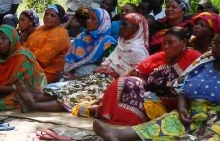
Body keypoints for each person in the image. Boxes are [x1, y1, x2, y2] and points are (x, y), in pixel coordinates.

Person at [93, 26, 220, 141]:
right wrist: (182, 108)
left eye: (219, 43)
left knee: (207, 135)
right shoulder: (205, 61)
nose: (213, 46)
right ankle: (118, 134)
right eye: (213, 42)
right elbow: (184, 87)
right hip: (194, 113)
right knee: (168, 121)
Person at [14, 12, 150, 114]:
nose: (120, 27)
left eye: (124, 24)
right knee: (68, 89)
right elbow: (107, 65)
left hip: (113, 84)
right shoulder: (122, 43)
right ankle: (32, 97)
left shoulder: (138, 50)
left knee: (76, 97)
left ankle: (33, 105)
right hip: (100, 77)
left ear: (136, 29)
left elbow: (136, 78)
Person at [95, 27, 201, 125]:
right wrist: (106, 93)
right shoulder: (158, 57)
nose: (166, 47)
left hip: (174, 107)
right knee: (128, 82)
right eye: (164, 43)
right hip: (148, 100)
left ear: (184, 42)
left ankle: (113, 120)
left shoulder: (194, 57)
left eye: (170, 43)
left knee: (127, 106)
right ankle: (105, 111)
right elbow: (132, 72)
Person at [64, 8, 118, 78]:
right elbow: (70, 58)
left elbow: (106, 67)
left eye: (93, 19)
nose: (88, 21)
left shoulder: (107, 41)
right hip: (72, 74)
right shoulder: (81, 36)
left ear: (102, 22)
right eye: (88, 18)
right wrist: (68, 71)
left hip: (94, 78)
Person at [23, 4, 70, 83]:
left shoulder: (60, 34)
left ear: (59, 20)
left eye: (52, 16)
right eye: (46, 14)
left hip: (47, 73)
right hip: (30, 63)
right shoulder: (42, 28)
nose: (48, 17)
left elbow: (43, 57)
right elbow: (27, 44)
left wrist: (22, 56)